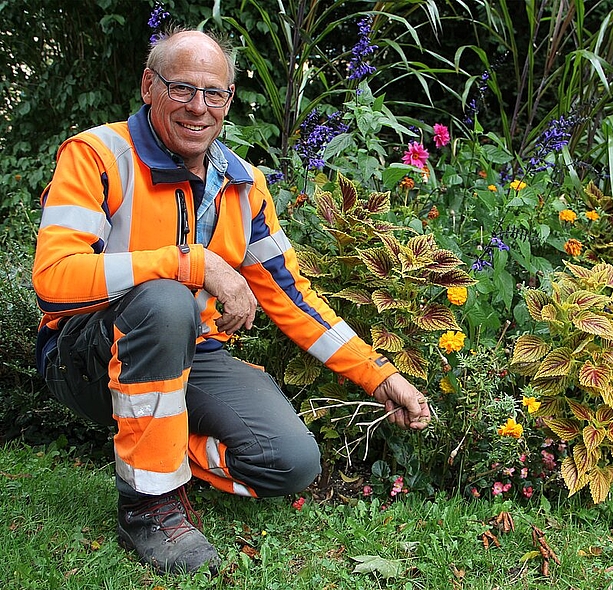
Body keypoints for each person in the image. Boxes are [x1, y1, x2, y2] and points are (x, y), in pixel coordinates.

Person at [32, 28, 430, 576]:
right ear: (149, 86)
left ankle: (158, 446)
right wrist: (191, 262)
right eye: (181, 89)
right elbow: (54, 278)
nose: (199, 108)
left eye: (213, 93)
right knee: (167, 300)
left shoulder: (242, 184)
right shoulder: (97, 155)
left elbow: (292, 296)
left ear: (229, 99)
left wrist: (380, 376)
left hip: (193, 354)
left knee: (292, 463)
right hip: (85, 355)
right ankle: (150, 508)